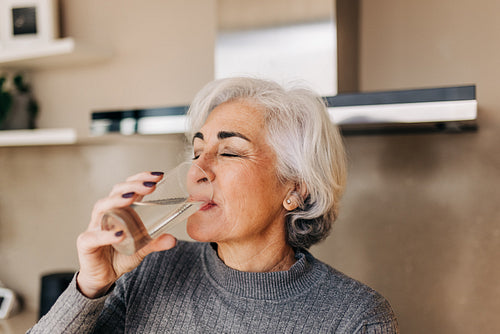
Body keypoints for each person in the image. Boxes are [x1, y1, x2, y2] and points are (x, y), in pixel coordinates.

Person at [29, 77, 399, 333]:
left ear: (296, 189)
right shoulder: (149, 272)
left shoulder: (355, 319)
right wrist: (90, 288)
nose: (196, 171)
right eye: (196, 152)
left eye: (229, 151)